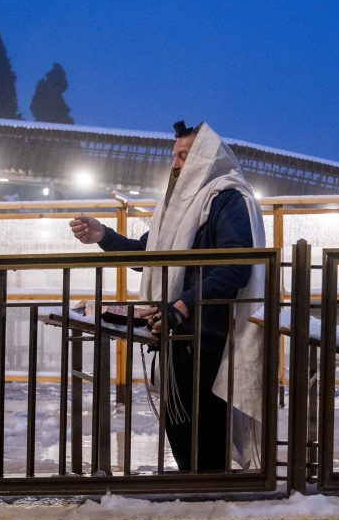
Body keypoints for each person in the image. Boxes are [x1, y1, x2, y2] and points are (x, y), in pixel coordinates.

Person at [70, 121, 265, 471]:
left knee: (204, 432)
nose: (175, 164)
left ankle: (212, 504)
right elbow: (148, 256)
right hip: (177, 334)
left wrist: (183, 303)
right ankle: (198, 497)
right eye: (174, 156)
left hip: (210, 339)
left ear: (206, 159)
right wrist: (104, 235)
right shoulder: (176, 211)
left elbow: (237, 267)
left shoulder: (227, 199)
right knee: (180, 427)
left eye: (184, 156)